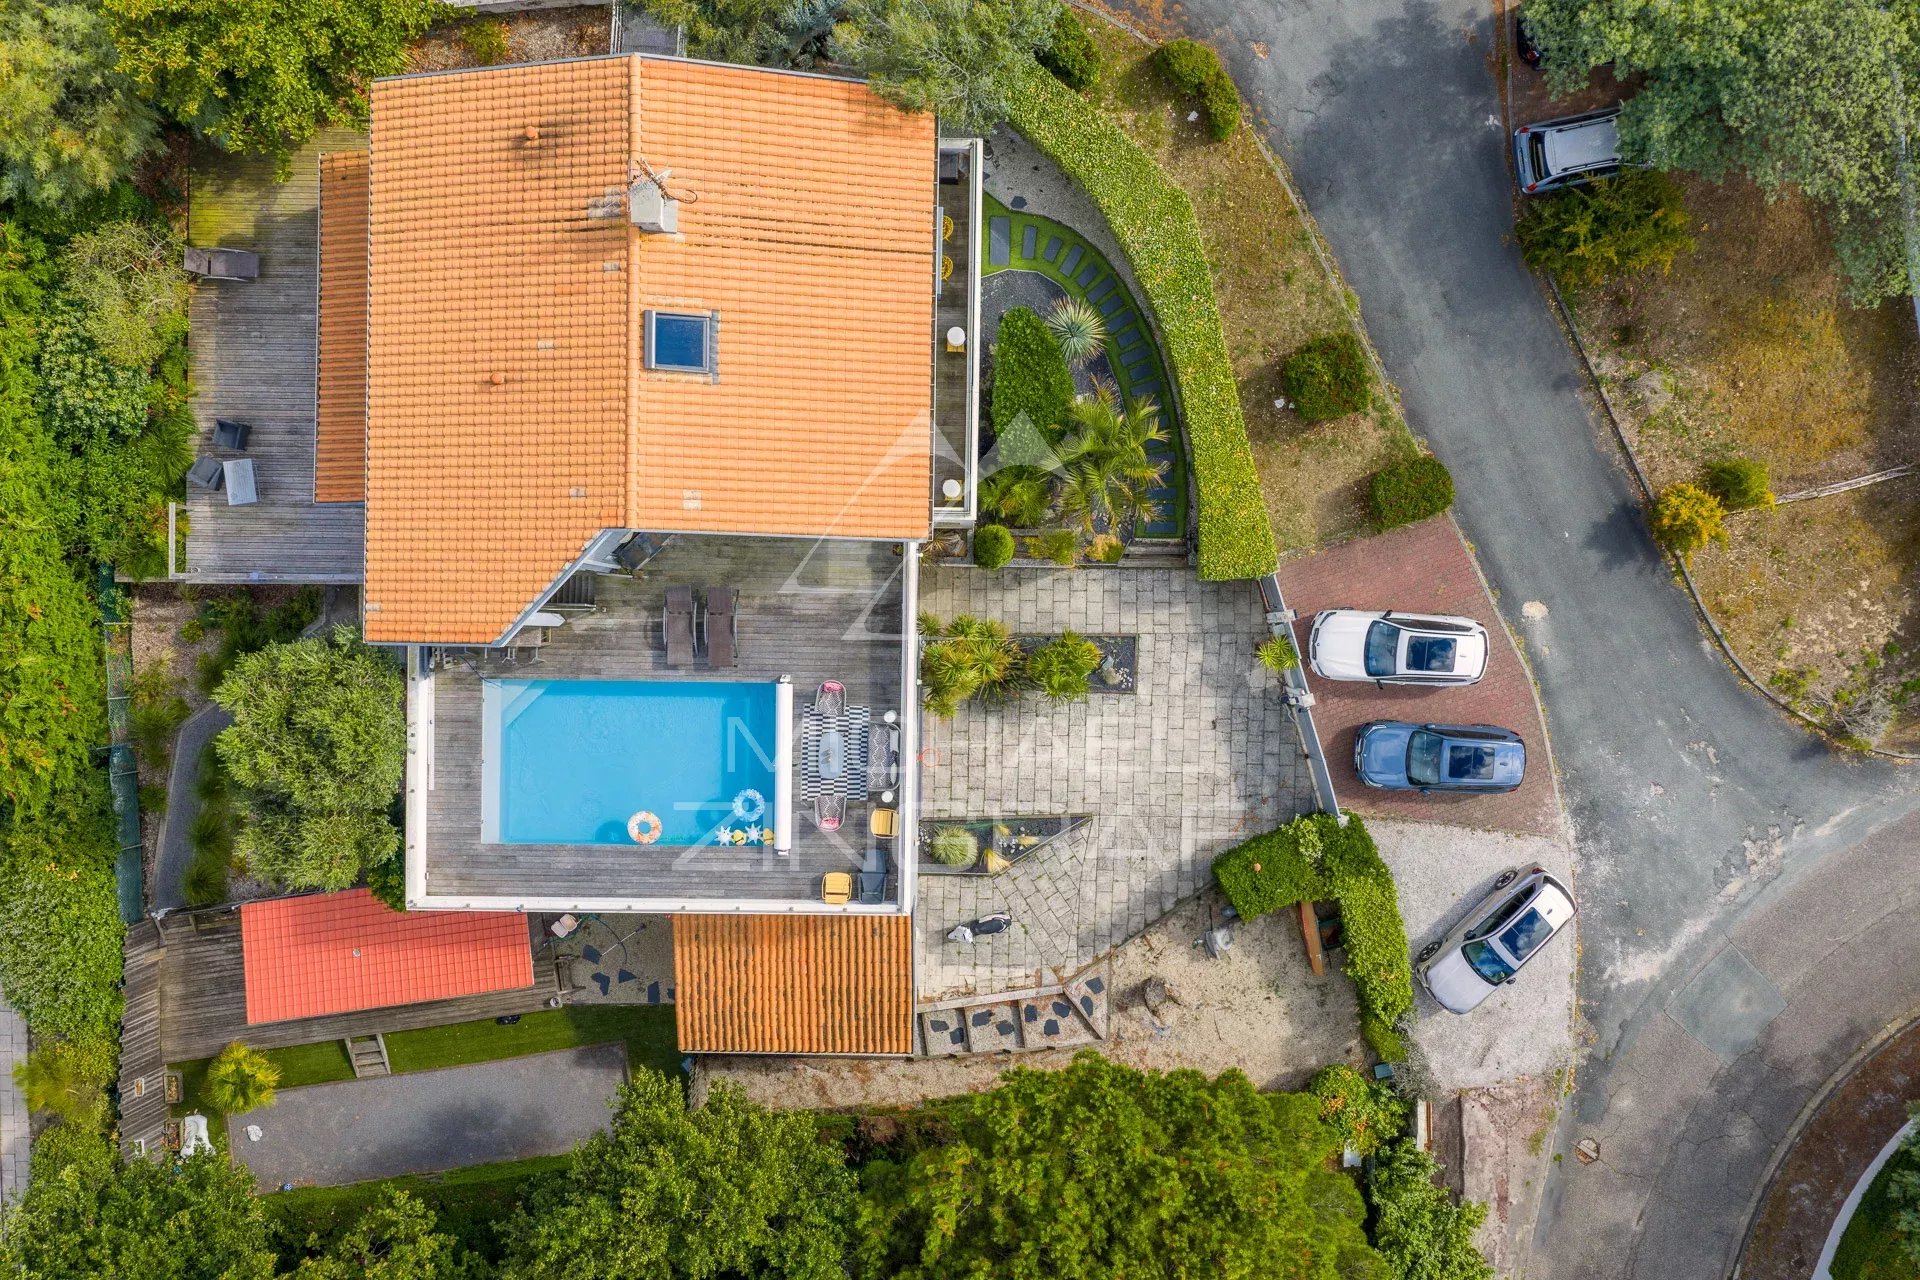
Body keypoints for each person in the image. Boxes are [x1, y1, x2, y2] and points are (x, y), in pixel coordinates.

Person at [947, 912, 1012, 944]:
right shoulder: (1004, 927)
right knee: (976, 931)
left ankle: (960, 931)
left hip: (980, 923)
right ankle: (958, 934)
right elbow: (998, 931)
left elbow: (990, 917)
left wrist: (980, 920)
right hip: (983, 930)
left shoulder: (1002, 916)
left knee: (972, 926)